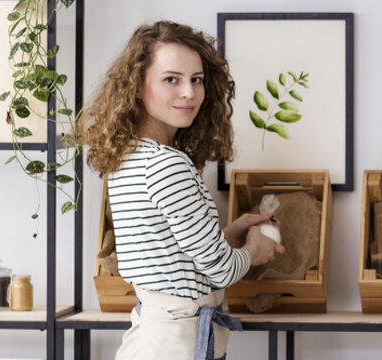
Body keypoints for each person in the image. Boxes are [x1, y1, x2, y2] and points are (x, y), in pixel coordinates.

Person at [77, 21, 284, 360]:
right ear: (138, 86)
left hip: (154, 335)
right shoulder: (168, 165)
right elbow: (221, 270)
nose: (189, 92)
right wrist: (254, 250)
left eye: (196, 80)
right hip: (175, 342)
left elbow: (169, 254)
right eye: (171, 79)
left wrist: (229, 234)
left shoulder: (129, 156)